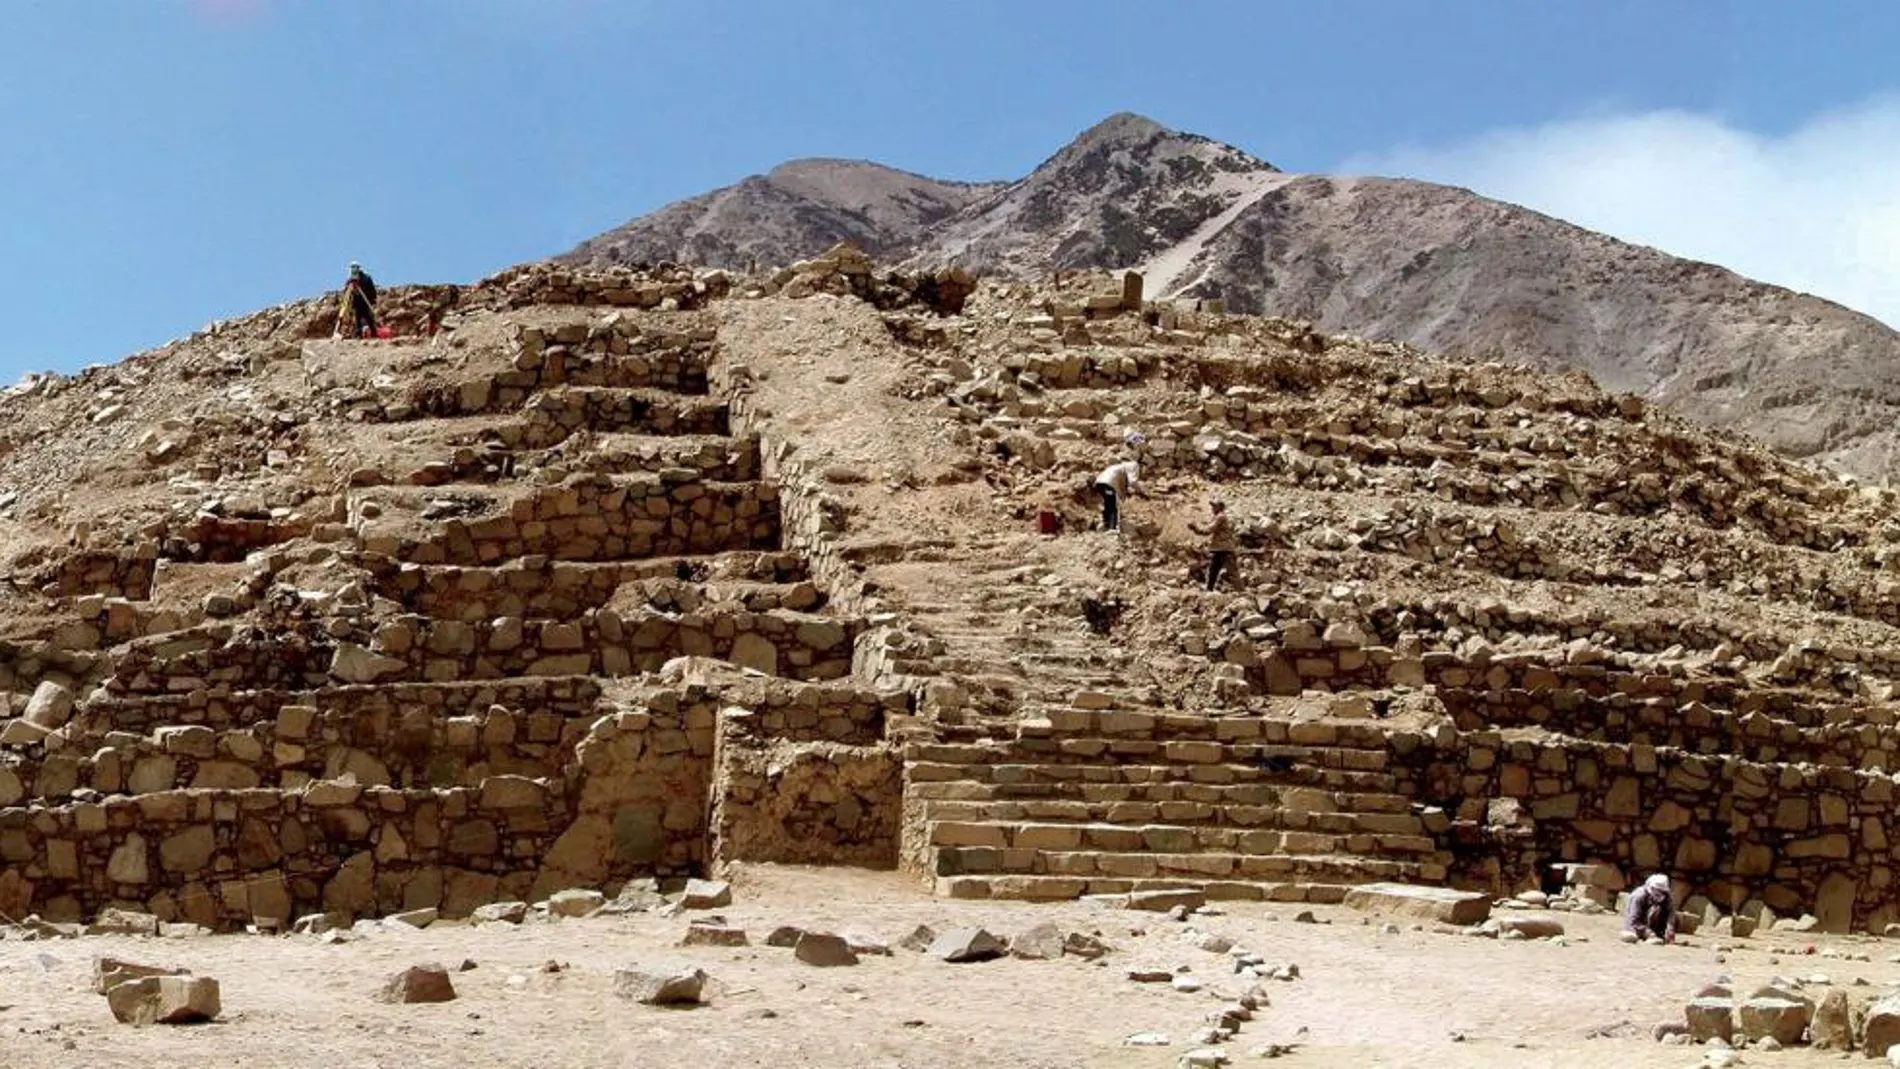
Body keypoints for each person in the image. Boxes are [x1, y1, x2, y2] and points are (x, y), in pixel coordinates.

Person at [1190, 498, 1238, 591]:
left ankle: (1241, 593)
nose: (1212, 508)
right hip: (1220, 549)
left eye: (1214, 506)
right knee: (1213, 571)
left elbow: (1208, 530)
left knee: (1231, 572)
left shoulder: (1220, 517)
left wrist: (1195, 528)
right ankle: (1209, 590)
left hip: (1224, 549)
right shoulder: (1218, 517)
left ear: (1220, 507)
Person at [1621, 873, 1677, 944]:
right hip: (1635, 925)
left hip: (1652, 926)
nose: (1660, 893)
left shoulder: (1666, 896)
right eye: (1657, 890)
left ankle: (1658, 934)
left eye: (1662, 891)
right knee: (1630, 936)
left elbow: (1671, 912)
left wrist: (1670, 929)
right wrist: (1648, 932)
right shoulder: (1638, 896)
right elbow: (1634, 920)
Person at [1093, 457, 1139, 532]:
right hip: (1108, 483)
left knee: (1108, 503)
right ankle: (1113, 528)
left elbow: (1121, 486)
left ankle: (1106, 522)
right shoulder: (1133, 465)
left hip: (1099, 484)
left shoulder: (1117, 467)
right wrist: (1141, 490)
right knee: (1113, 505)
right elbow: (1132, 481)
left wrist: (1122, 495)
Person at [342, 261, 379, 338]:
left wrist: (373, 300)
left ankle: (374, 334)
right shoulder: (350, 281)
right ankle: (359, 334)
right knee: (357, 319)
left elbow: (372, 290)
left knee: (369, 318)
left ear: (358, 268)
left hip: (366, 302)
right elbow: (346, 291)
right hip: (357, 303)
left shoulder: (366, 278)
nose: (353, 270)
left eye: (355, 267)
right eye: (352, 268)